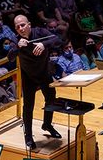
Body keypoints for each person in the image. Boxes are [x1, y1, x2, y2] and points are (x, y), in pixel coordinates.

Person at [10, 14, 64, 149]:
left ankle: (47, 124)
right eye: (18, 27)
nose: (21, 28)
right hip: (28, 76)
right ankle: (28, 135)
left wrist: (43, 44)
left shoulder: (40, 32)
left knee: (51, 99)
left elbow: (58, 39)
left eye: (23, 25)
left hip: (44, 72)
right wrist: (17, 47)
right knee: (28, 107)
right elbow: (10, 57)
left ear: (29, 24)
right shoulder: (16, 40)